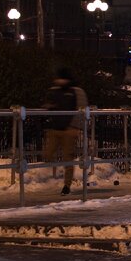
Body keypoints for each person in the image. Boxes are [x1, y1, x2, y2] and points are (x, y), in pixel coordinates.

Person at [41, 68, 86, 196]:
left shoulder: (76, 92)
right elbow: (48, 105)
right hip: (55, 128)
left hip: (69, 129)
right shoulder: (54, 91)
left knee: (68, 157)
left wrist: (76, 127)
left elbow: (81, 110)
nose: (59, 81)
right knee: (48, 154)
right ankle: (51, 178)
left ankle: (67, 185)